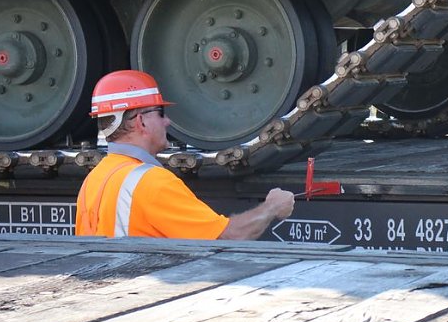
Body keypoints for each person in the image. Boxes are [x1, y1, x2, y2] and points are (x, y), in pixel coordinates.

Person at [75, 70, 294, 239]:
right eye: (160, 113)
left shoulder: (95, 178)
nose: (167, 121)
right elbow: (227, 237)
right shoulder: (151, 182)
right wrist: (272, 207)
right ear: (141, 121)